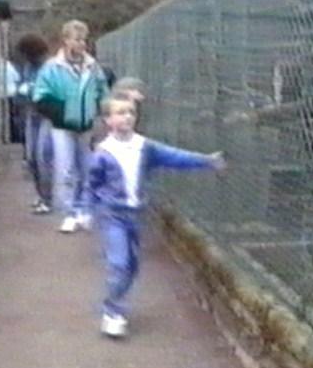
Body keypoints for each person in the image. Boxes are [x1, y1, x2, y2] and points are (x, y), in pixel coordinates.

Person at [85, 95, 226, 337]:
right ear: (108, 120)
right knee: (119, 263)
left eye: (130, 112)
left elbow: (175, 157)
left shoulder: (144, 146)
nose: (127, 116)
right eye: (120, 112)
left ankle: (116, 299)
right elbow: (91, 184)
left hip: (135, 214)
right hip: (113, 215)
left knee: (132, 266)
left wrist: (206, 161)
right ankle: (113, 311)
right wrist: (86, 210)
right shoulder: (103, 153)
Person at [32, 20, 109, 232]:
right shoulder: (51, 67)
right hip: (62, 126)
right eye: (77, 39)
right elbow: (40, 95)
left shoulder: (93, 66)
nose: (81, 43)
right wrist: (62, 112)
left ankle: (84, 209)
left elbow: (103, 92)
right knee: (65, 169)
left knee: (86, 169)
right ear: (66, 40)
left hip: (86, 126)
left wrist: (101, 114)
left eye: (84, 39)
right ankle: (69, 213)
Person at [16, 33, 53, 213]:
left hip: (48, 115)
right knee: (31, 157)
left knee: (43, 156)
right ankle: (40, 195)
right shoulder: (28, 67)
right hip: (32, 114)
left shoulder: (50, 66)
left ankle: (48, 198)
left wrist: (30, 89)